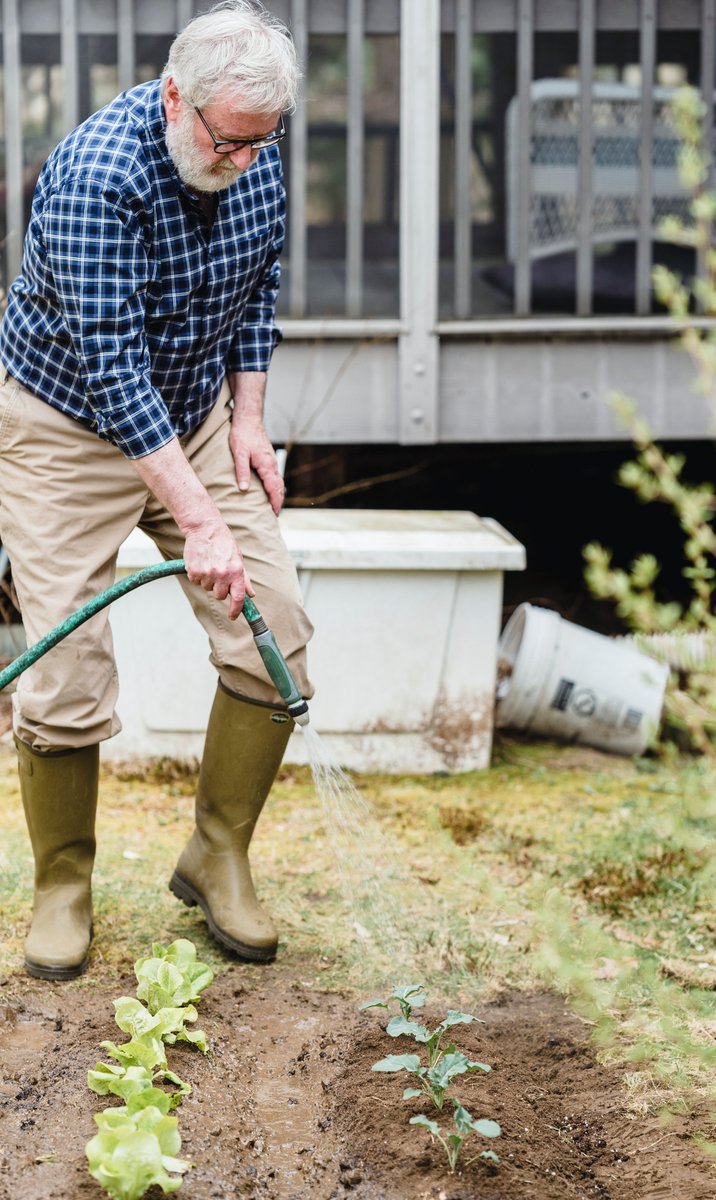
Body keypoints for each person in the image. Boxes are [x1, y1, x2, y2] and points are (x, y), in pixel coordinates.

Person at [0, 0, 313, 980]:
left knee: (276, 635)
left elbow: (257, 286)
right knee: (64, 672)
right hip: (65, 426)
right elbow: (112, 370)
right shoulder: (96, 178)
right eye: (230, 142)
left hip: (197, 416)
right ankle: (62, 886)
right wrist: (197, 519)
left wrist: (250, 421)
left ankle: (217, 855)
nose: (250, 163)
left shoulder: (248, 147)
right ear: (175, 97)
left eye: (265, 143)